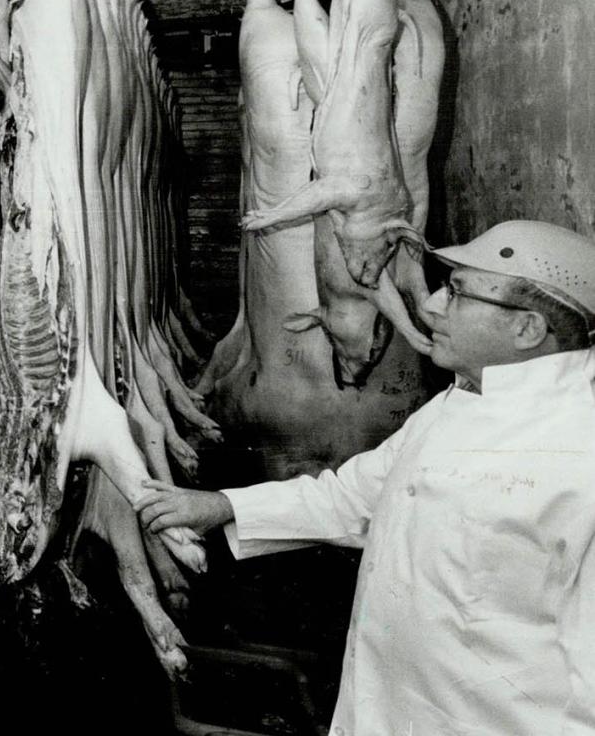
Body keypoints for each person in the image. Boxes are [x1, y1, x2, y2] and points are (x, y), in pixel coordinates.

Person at [137, 220, 595, 735]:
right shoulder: (460, 400)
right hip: (389, 708)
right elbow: (356, 496)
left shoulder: (581, 454)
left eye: (458, 293)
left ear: (527, 328)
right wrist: (224, 506)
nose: (432, 305)